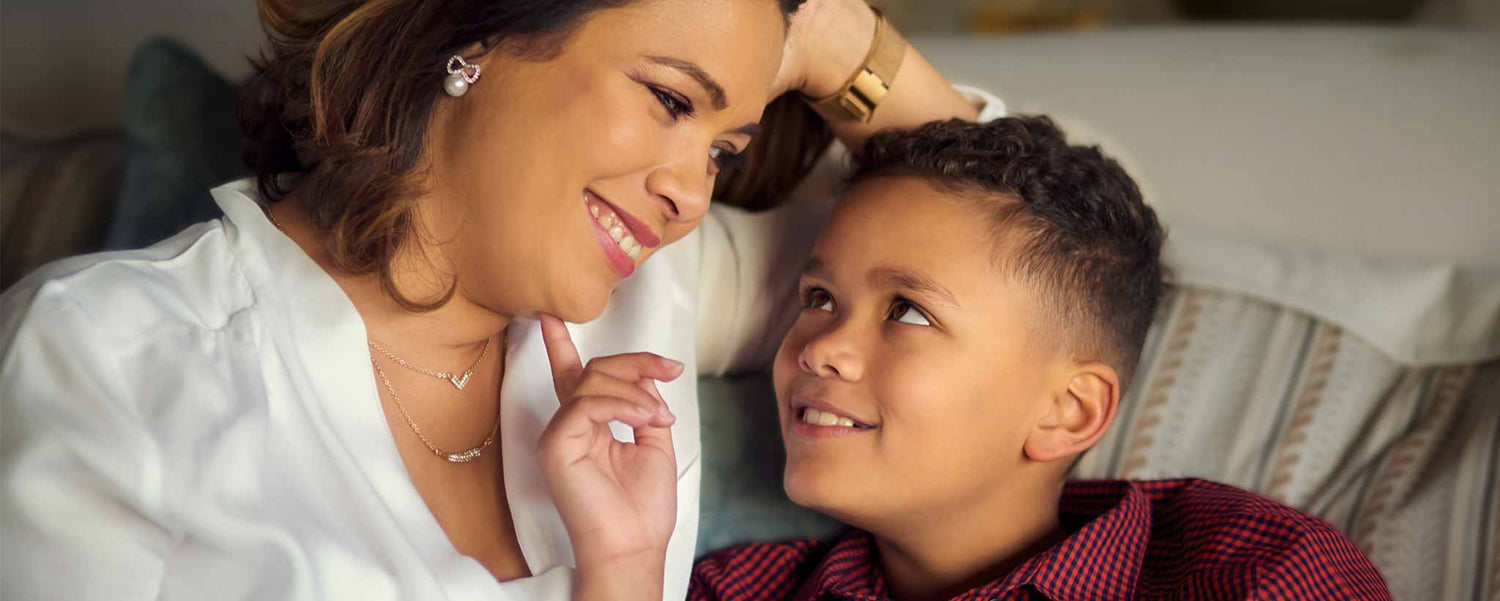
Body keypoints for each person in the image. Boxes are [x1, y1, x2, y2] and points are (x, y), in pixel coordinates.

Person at [0, 0, 1002, 599]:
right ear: (474, 35)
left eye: (724, 148)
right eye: (669, 99)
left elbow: (1023, 258)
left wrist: (846, 48)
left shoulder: (655, 299)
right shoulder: (100, 359)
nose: (691, 195)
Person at [684, 117, 1393, 600]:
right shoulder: (732, 588)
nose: (822, 347)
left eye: (908, 309)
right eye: (819, 296)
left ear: (1068, 410)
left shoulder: (1257, 571)